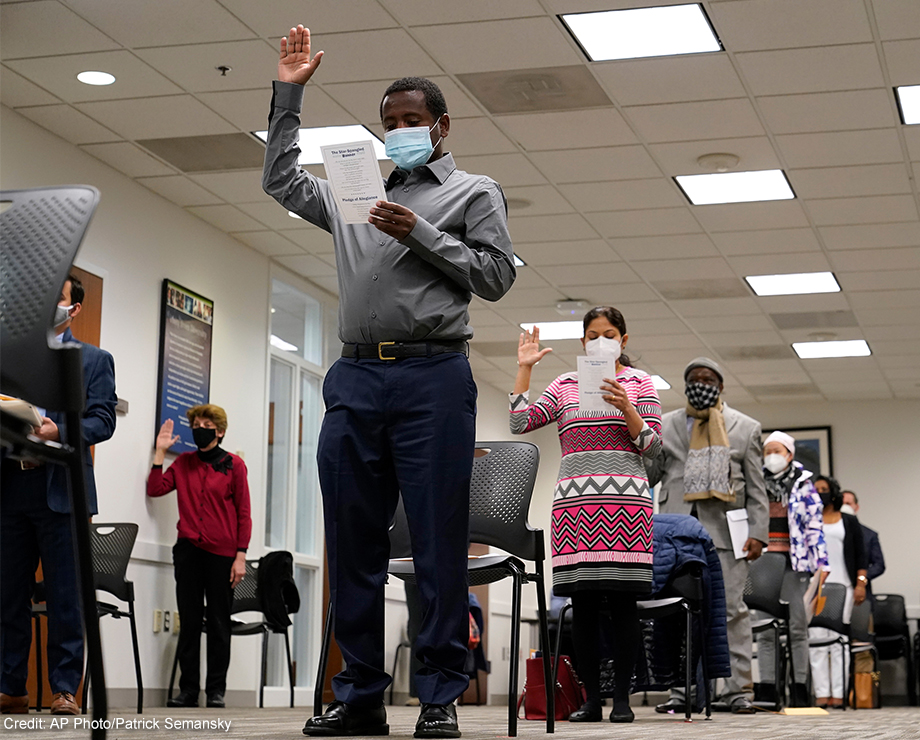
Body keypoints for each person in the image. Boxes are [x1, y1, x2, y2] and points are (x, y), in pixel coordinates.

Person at [262, 25, 515, 739]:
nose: (400, 131)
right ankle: (362, 696)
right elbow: (280, 180)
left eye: (412, 121)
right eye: (390, 123)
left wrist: (420, 233)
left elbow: (496, 277)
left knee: (435, 541)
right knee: (352, 540)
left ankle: (437, 696)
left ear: (441, 126)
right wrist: (289, 93)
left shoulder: (473, 190)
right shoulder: (354, 194)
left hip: (434, 376)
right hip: (354, 377)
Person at [510, 306, 661, 724]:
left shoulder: (641, 383)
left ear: (623, 341)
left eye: (609, 334)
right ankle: (592, 700)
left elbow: (654, 450)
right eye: (592, 335)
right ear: (582, 342)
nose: (600, 341)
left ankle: (624, 701)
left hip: (626, 507)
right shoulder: (564, 385)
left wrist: (627, 407)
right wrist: (525, 369)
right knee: (584, 606)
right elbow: (519, 422)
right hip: (575, 508)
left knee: (624, 604)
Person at [1, 274, 117, 716]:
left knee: (65, 597)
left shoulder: (94, 360)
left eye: (60, 297)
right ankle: (11, 688)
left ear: (75, 309)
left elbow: (102, 420)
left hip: (62, 490)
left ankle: (65, 690)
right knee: (8, 596)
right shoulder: (9, 357)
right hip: (10, 488)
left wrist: (59, 430)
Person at [648, 357, 769, 714]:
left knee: (731, 611)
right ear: (685, 386)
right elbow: (652, 475)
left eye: (709, 379)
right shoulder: (664, 424)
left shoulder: (745, 427)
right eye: (694, 380)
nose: (701, 384)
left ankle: (737, 692)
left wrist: (759, 533)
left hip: (726, 535)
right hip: (673, 533)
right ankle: (680, 690)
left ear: (721, 386)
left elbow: (757, 490)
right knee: (674, 613)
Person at [147, 404, 251, 709]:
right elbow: (155, 488)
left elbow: (244, 514)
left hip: (223, 555)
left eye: (206, 423)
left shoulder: (235, 465)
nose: (199, 427)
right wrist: (159, 452)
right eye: (196, 423)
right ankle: (188, 690)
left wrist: (241, 556)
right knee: (190, 622)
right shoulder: (184, 463)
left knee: (219, 622)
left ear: (219, 431)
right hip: (189, 552)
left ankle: (216, 690)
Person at [754, 431, 828, 708]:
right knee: (764, 629)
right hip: (761, 563)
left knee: (798, 627)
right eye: (767, 450)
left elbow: (814, 527)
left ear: (789, 454)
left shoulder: (804, 484)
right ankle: (767, 691)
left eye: (777, 450)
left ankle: (799, 689)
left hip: (794, 564)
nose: (772, 455)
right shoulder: (756, 481)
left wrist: (821, 563)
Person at [809, 475, 866, 708]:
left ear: (833, 492)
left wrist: (861, 583)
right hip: (816, 586)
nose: (820, 492)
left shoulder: (849, 521)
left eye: (824, 488)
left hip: (845, 586)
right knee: (816, 638)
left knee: (838, 640)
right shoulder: (809, 519)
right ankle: (821, 694)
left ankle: (839, 694)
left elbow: (861, 555)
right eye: (816, 489)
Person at [841, 490, 885, 601]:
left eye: (848, 504)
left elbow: (879, 565)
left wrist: (861, 578)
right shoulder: (829, 532)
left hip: (861, 592)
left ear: (856, 507)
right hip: (835, 589)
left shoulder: (869, 535)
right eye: (841, 503)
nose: (844, 507)